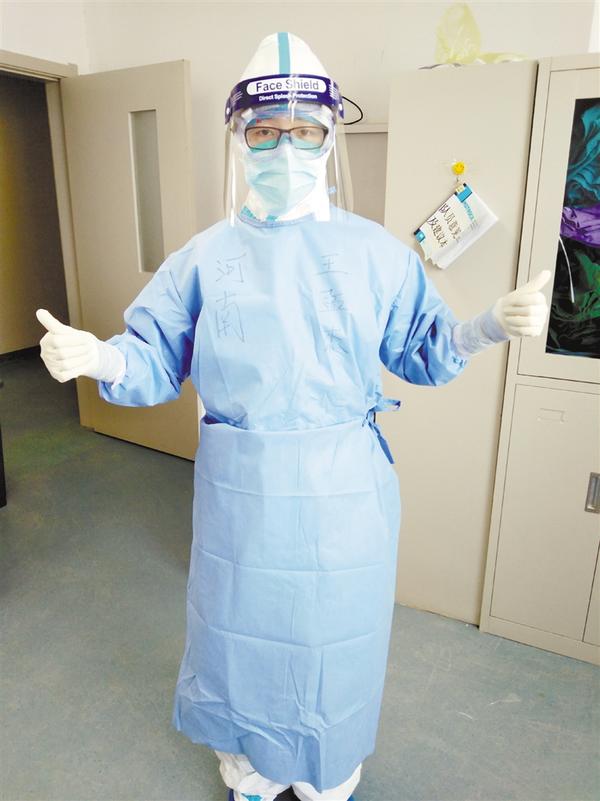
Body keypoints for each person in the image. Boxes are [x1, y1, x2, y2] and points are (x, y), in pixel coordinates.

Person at [36, 32, 549, 801]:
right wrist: (102, 359)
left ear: (329, 134)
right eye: (265, 131)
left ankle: (329, 767)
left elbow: (423, 348)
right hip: (245, 494)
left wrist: (486, 326)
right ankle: (253, 765)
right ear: (238, 137)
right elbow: (152, 357)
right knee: (241, 634)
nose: (285, 147)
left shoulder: (375, 253)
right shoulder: (203, 259)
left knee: (334, 639)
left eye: (304, 130)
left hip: (344, 494)